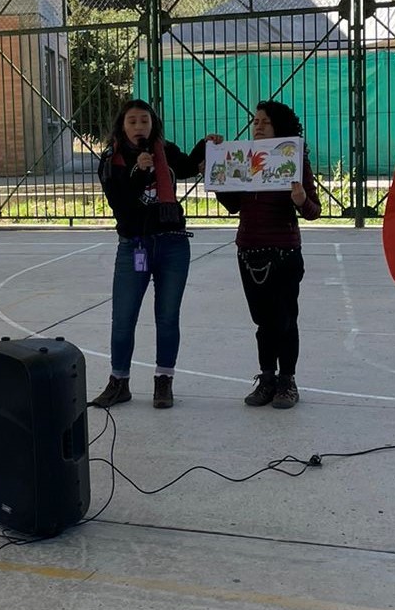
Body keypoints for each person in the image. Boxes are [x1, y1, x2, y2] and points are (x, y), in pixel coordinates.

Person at [89, 99, 219, 411]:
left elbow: (187, 167)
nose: (139, 127)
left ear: (153, 124)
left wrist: (206, 145)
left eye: (144, 121)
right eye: (132, 121)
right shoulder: (111, 160)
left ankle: (164, 380)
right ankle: (119, 381)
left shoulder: (165, 151)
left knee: (167, 315)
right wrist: (138, 172)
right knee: (124, 316)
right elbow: (120, 201)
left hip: (172, 244)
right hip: (136, 246)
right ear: (122, 125)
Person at [217, 101, 320, 410]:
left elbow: (314, 210)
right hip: (249, 249)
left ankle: (287, 380)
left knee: (286, 320)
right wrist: (218, 176)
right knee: (263, 322)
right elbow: (233, 205)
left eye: (265, 122)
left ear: (280, 128)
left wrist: (301, 199)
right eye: (255, 121)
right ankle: (267, 378)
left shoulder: (294, 160)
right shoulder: (246, 159)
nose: (258, 126)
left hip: (284, 250)